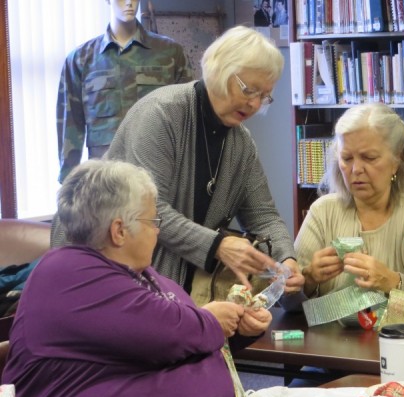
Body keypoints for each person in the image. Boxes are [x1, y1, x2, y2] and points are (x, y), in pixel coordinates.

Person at [4, 160, 272, 397]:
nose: (157, 231)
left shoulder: (139, 273)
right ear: (119, 231)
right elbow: (172, 333)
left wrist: (236, 328)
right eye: (152, 221)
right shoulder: (67, 271)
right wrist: (213, 321)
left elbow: (188, 336)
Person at [91, 25, 303, 305]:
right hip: (110, 275)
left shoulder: (241, 143)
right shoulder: (161, 115)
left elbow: (263, 216)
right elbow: (151, 213)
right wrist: (218, 246)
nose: (254, 104)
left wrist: (286, 259)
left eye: (264, 96)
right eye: (249, 90)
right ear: (219, 70)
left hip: (176, 291)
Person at [288, 103, 404, 316]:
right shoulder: (323, 211)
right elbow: (285, 304)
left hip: (400, 345)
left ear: (397, 160)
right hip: (329, 346)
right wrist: (309, 278)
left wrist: (392, 282)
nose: (356, 169)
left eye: (369, 158)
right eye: (347, 158)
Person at [56, 0, 193, 183]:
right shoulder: (81, 59)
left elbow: (190, 116)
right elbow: (70, 123)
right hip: (104, 179)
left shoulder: (170, 53)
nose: (129, 3)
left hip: (158, 174)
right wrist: (69, 180)